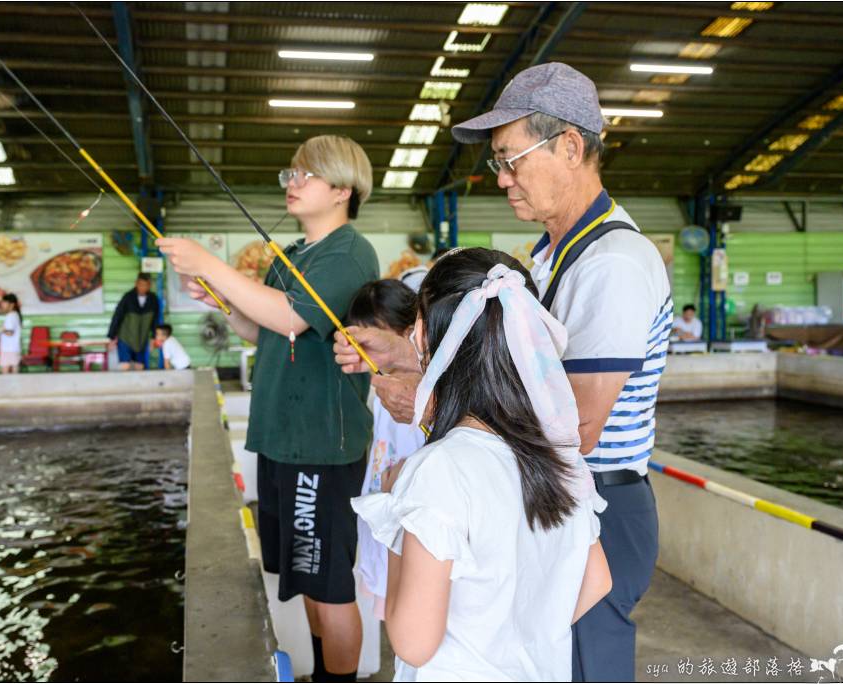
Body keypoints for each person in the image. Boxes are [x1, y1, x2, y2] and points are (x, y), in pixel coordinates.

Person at [335, 63, 672, 682]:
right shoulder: (546, 258)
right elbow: (508, 372)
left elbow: (579, 424)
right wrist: (405, 359)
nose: (504, 180)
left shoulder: (613, 263)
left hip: (585, 504)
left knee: (581, 664)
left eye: (512, 159)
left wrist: (434, 407)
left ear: (571, 146)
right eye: (498, 163)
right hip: (540, 496)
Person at [157, 134, 379, 681]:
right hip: (282, 439)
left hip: (322, 445)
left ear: (343, 190)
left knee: (329, 586)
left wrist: (211, 261)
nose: (293, 184)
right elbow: (268, 331)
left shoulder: (349, 252)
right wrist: (226, 302)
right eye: (290, 174)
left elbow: (292, 318)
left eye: (305, 175)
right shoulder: (294, 255)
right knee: (302, 577)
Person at [352, 249, 611, 681]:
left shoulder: (437, 470)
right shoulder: (557, 456)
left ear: (420, 335)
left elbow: (413, 643)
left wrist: (398, 507)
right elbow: (596, 581)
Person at [344, 280, 426, 622]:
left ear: (409, 332)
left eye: (374, 334)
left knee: (413, 607)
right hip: (381, 509)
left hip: (409, 518)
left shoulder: (425, 390)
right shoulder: (377, 385)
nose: (365, 347)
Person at [107, 273, 160, 370]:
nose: (143, 287)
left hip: (141, 339)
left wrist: (153, 338)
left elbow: (155, 320)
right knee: (125, 365)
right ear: (136, 283)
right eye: (141, 284)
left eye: (146, 285)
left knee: (139, 365)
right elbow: (117, 316)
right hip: (125, 337)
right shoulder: (128, 297)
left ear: (149, 285)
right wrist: (112, 337)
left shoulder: (153, 299)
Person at [0, 293, 23, 374]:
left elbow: (10, 332)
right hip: (14, 349)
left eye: (4, 303)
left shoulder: (10, 316)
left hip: (8, 350)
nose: (2, 305)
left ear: (12, 304)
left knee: (5, 376)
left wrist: (2, 330)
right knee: (15, 374)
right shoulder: (15, 315)